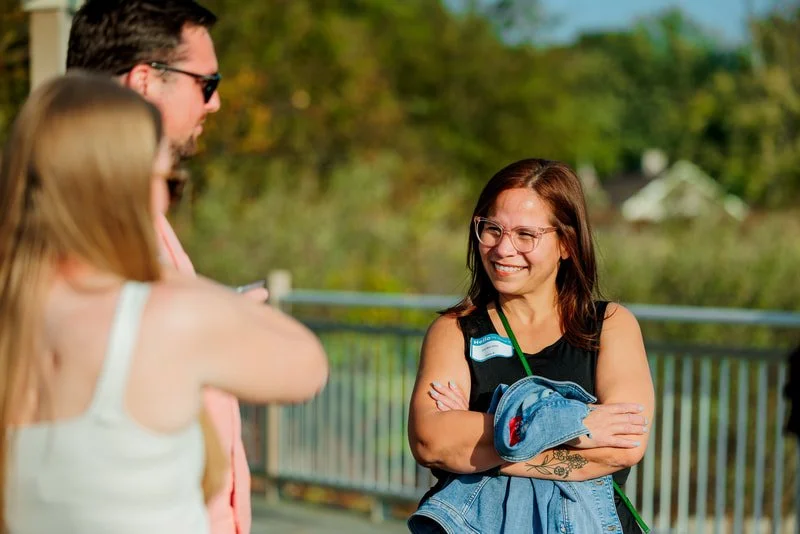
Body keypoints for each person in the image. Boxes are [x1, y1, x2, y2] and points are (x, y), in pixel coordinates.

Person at [0, 72, 328, 534]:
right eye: (167, 180)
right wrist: (188, 287)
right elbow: (307, 365)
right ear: (126, 187)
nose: (167, 201)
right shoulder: (162, 316)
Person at [66, 2, 257, 532]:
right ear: (145, 80)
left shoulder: (129, 201)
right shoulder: (84, 209)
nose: (215, 103)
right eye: (206, 82)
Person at [408, 158, 655, 533]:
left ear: (566, 244)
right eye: (492, 229)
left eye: (526, 235)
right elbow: (431, 441)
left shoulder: (610, 326)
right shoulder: (454, 331)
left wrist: (486, 443)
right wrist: (578, 424)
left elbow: (625, 446)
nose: (503, 249)